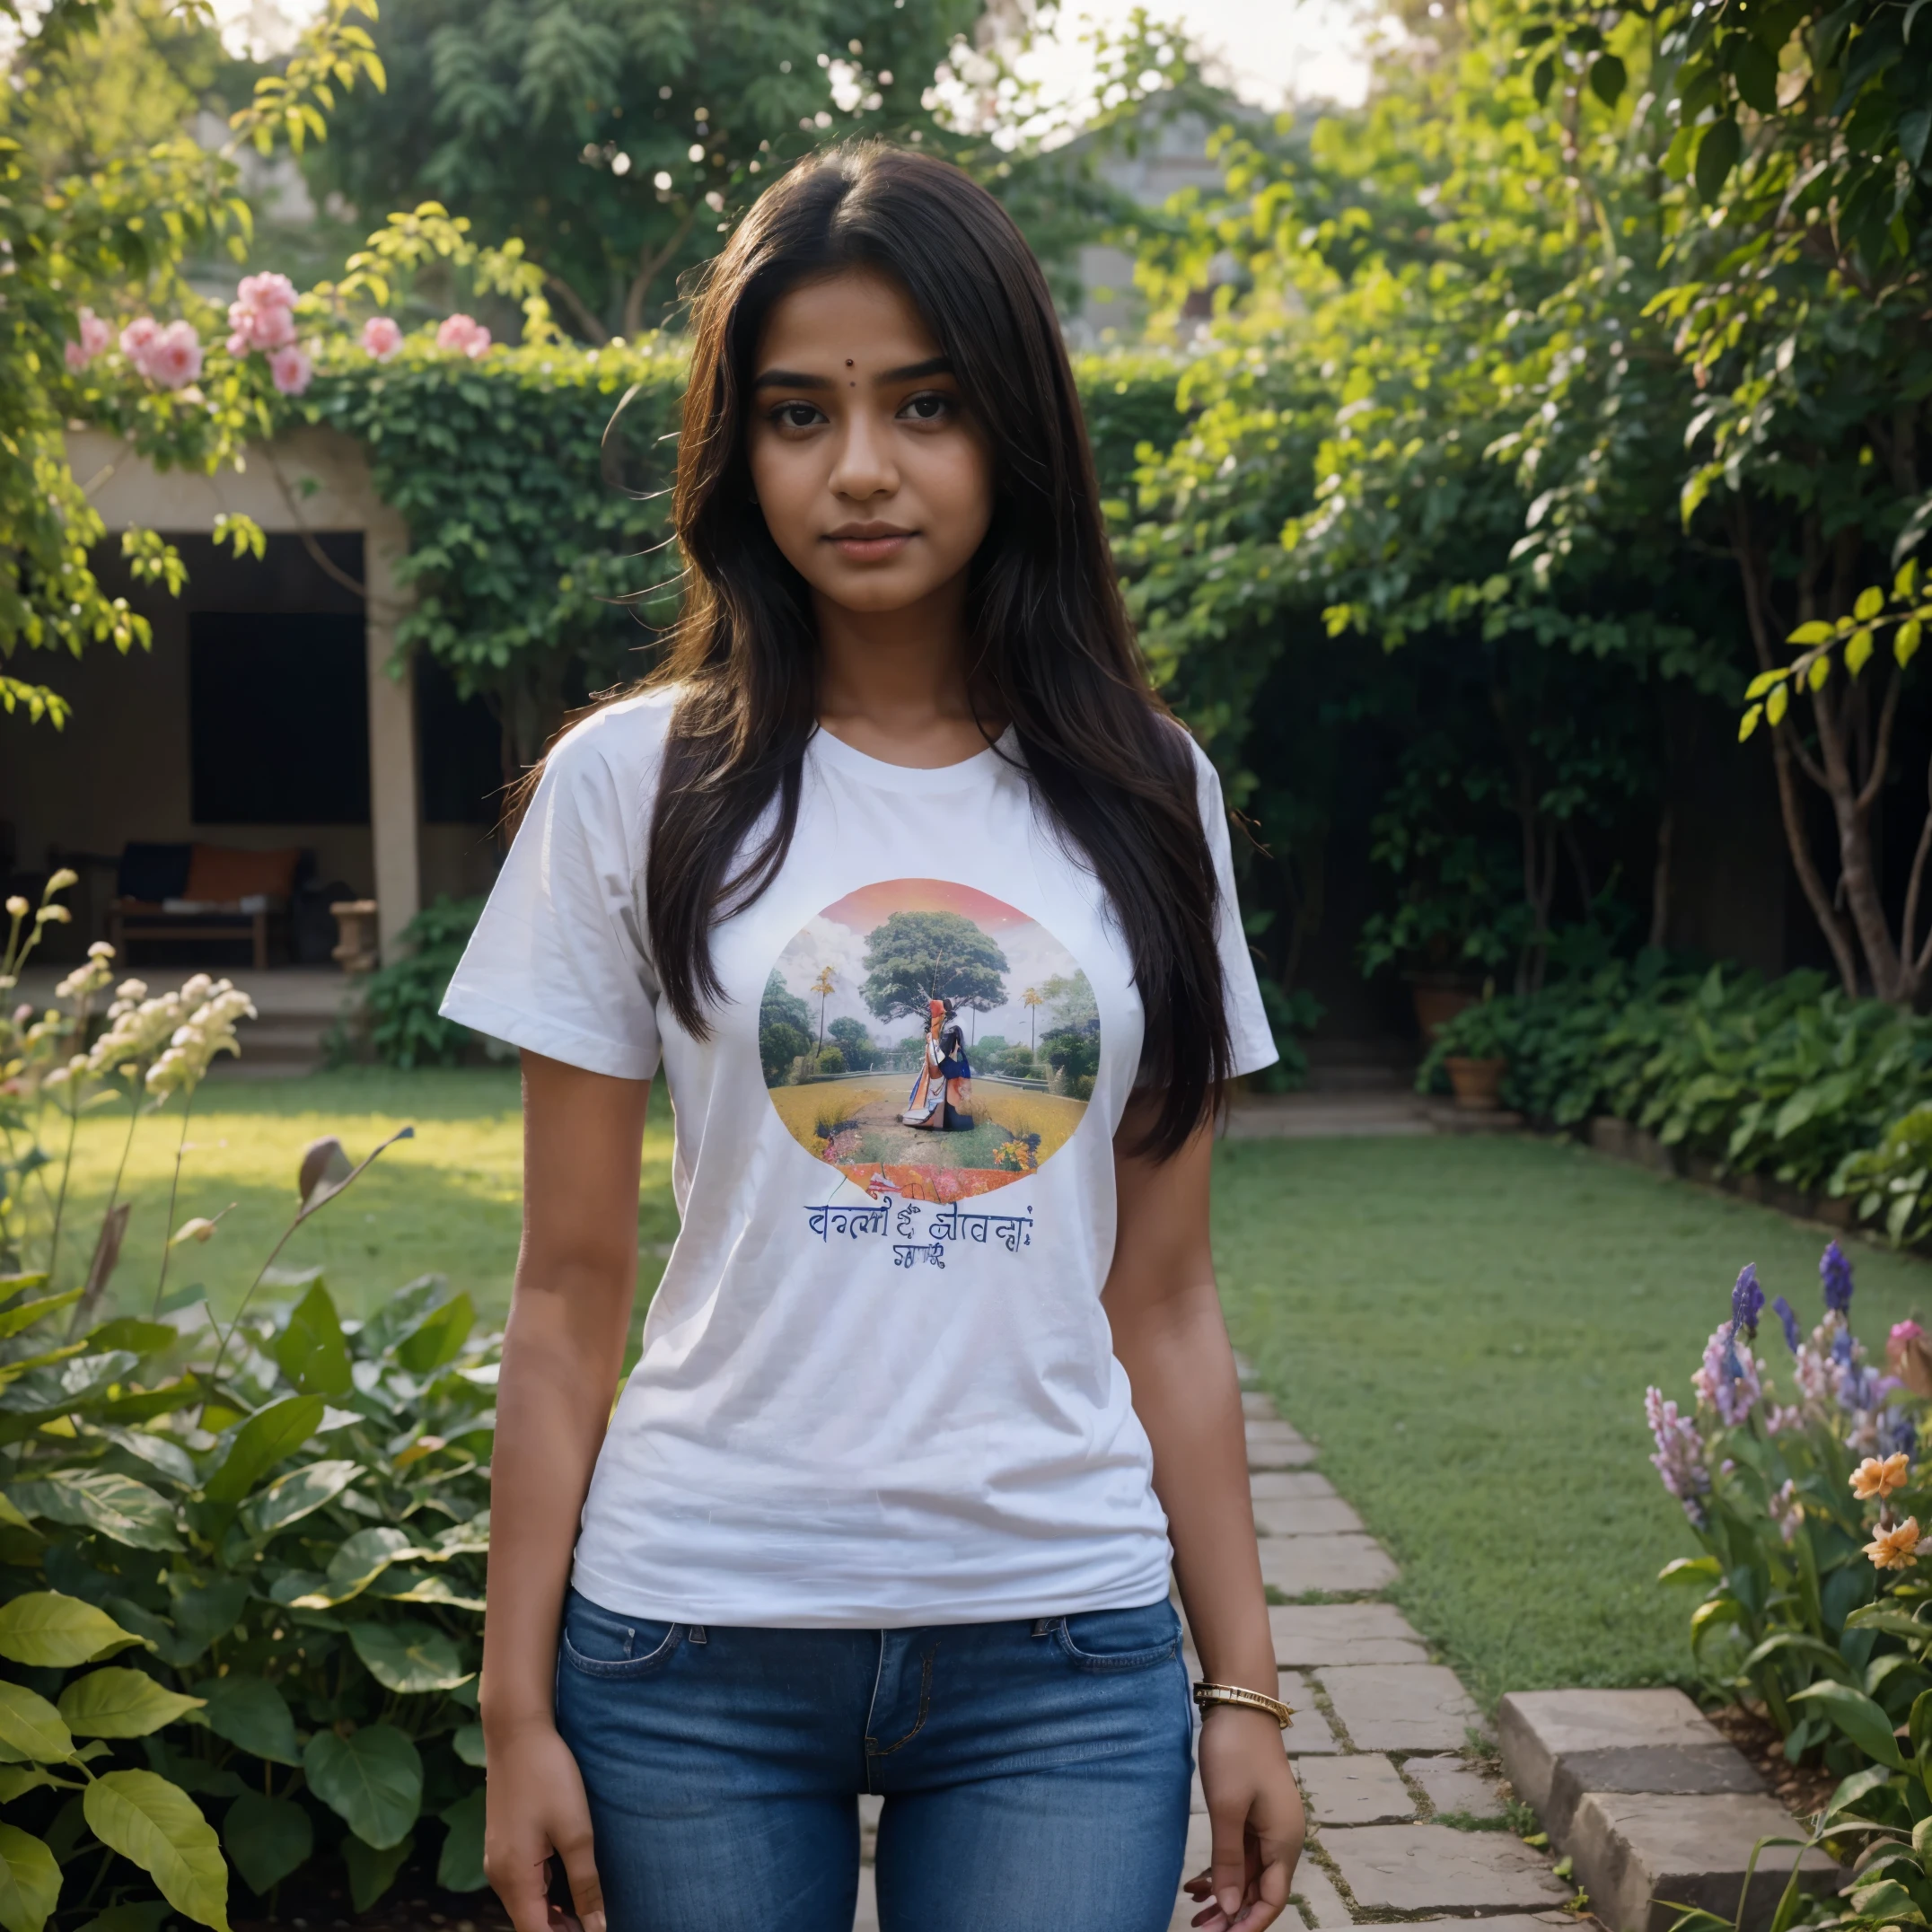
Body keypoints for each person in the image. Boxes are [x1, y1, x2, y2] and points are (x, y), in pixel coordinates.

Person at [442, 139, 1304, 1932]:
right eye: (793, 412)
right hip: (690, 1635)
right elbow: (563, 1290)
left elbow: (1166, 1293)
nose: (857, 468)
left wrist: (1241, 1688)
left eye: (921, 405)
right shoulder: (630, 786)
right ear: (734, 447)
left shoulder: (1149, 794)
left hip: (1060, 1646)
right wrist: (514, 1703)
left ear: (1011, 430)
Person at [902, 997, 974, 1129]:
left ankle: (939, 1116)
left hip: (953, 1069)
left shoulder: (951, 1028)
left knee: (937, 1080)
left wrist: (931, 1042)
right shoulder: (954, 1025)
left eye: (936, 1014)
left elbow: (939, 1057)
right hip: (958, 1068)